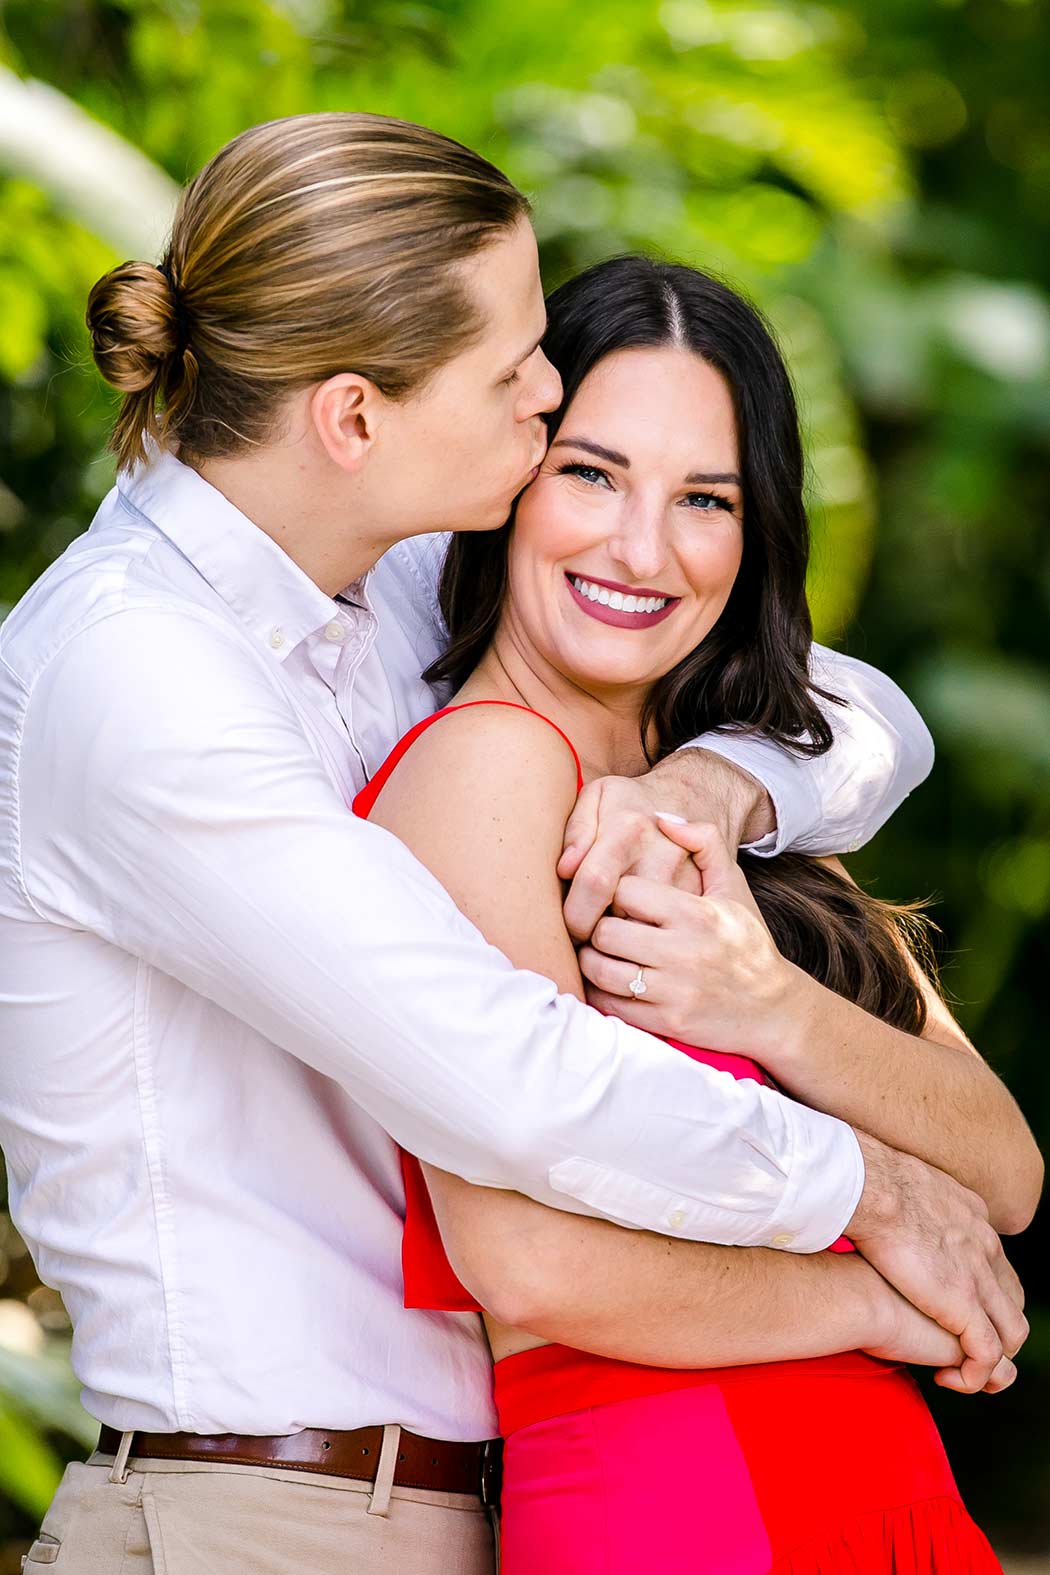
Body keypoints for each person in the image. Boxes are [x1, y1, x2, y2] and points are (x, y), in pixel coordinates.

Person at [0, 114, 1028, 1575]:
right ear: (354, 418)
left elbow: (843, 705)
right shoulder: (139, 677)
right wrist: (866, 1197)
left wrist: (713, 788)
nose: (548, 395)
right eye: (515, 371)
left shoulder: (386, 583)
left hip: (454, 1499)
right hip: (259, 1514)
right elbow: (507, 1074)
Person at [357, 255, 1043, 1572]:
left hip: (875, 1492)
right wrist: (878, 1298)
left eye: (704, 498)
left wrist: (763, 1001)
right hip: (685, 1496)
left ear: (757, 529)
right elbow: (532, 1270)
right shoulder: (487, 768)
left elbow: (1001, 1171)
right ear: (510, 477)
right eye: (592, 473)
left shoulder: (739, 796)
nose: (640, 548)